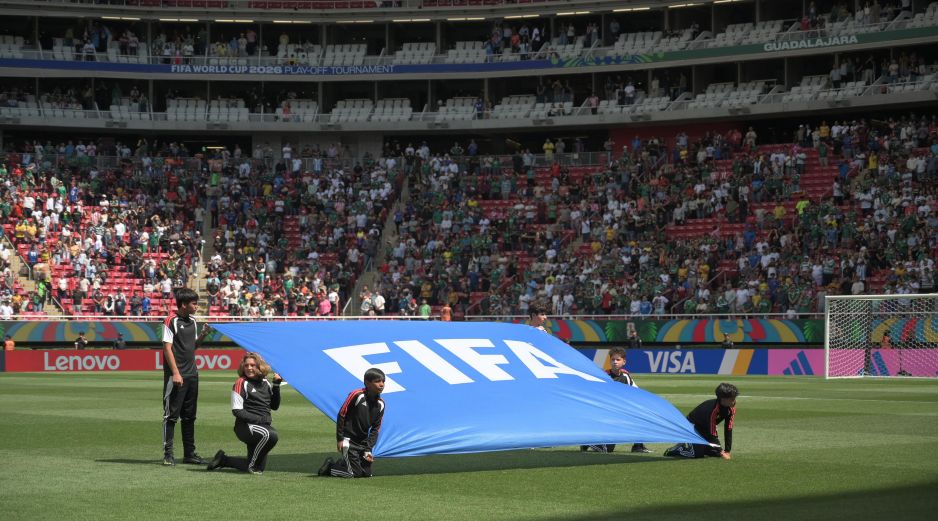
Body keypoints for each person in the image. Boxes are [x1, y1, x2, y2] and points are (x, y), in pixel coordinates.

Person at [206, 352, 282, 475]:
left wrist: (276, 386)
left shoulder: (266, 382)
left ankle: (223, 460)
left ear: (260, 366)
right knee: (271, 435)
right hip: (244, 427)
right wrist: (260, 419)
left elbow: (274, 406)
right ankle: (252, 466)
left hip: (261, 426)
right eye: (246, 365)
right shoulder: (241, 382)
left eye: (252, 365)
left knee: (258, 467)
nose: (249, 368)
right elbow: (237, 411)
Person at [161, 287, 212, 467]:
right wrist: (175, 372)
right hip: (177, 376)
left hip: (192, 375)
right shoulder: (170, 320)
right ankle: (168, 454)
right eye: (194, 303)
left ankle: (189, 454)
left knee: (189, 417)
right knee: (171, 416)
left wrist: (203, 334)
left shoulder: (193, 321)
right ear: (183, 304)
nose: (197, 306)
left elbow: (193, 347)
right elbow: (167, 348)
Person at [317, 368, 386, 478]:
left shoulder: (381, 404)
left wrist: (368, 449)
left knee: (367, 474)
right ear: (367, 383)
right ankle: (330, 467)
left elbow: (376, 429)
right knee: (354, 474)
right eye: (377, 381)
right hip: (349, 441)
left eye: (383, 381)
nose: (381, 384)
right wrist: (340, 439)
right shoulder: (357, 395)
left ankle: (343, 463)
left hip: (363, 444)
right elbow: (342, 414)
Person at [581, 348, 651, 454]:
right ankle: (587, 441)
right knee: (607, 450)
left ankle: (638, 446)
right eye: (613, 360)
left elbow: (636, 391)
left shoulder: (625, 376)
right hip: (606, 414)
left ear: (624, 362)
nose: (615, 362)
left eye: (618, 360)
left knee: (640, 415)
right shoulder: (604, 376)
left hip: (620, 411)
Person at [664, 383, 738, 459]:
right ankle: (677, 449)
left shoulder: (731, 409)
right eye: (732, 399)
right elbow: (712, 433)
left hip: (704, 428)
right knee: (697, 454)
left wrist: (727, 451)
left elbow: (728, 429)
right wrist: (722, 452)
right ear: (723, 399)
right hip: (691, 426)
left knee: (714, 453)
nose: (734, 401)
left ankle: (702, 447)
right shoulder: (713, 410)